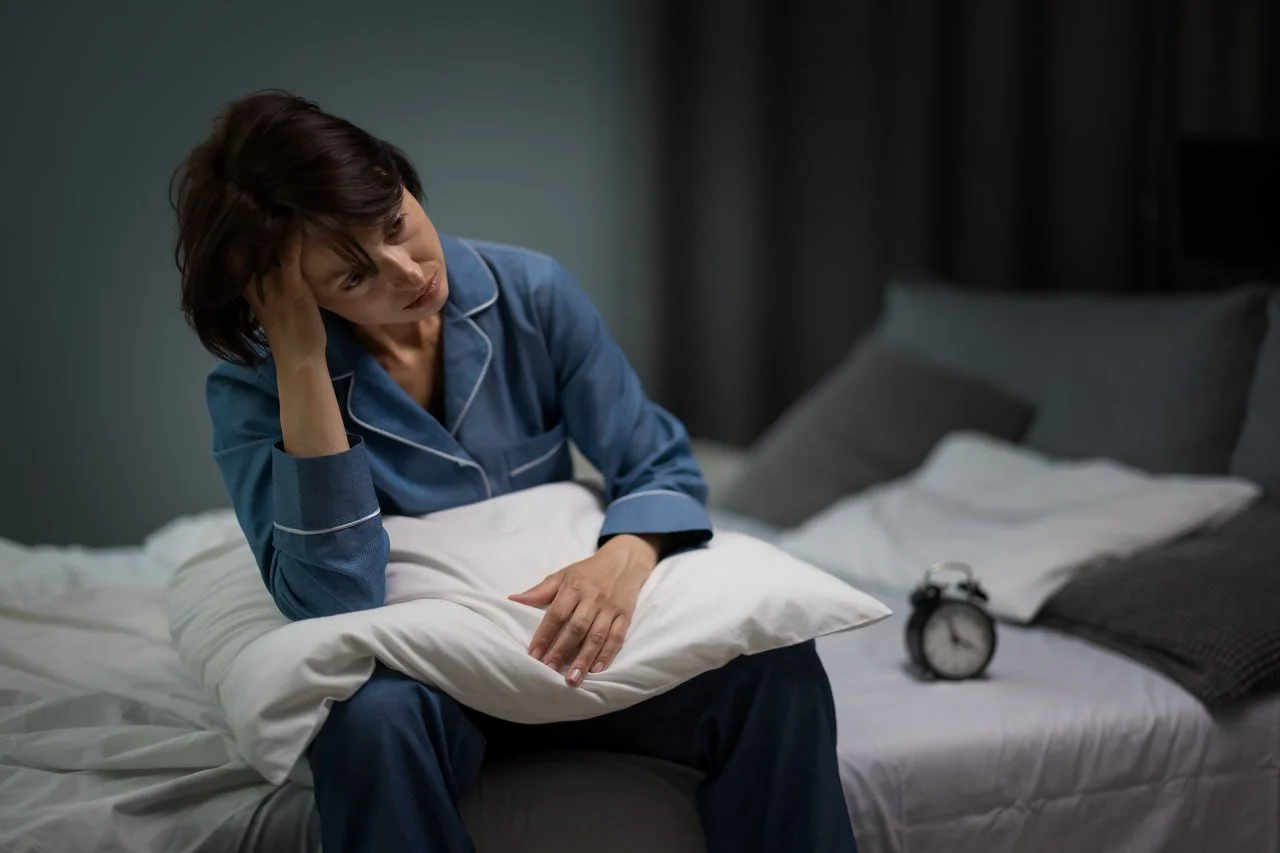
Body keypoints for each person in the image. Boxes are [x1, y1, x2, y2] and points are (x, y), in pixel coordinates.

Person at [171, 89, 857, 853]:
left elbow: (655, 461)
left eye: (395, 224)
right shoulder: (255, 392)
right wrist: (301, 359)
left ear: (399, 179)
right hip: (435, 687)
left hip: (577, 659)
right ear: (294, 295)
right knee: (368, 723)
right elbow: (332, 596)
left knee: (778, 668)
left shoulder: (533, 293)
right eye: (353, 277)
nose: (408, 270)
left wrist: (621, 560)